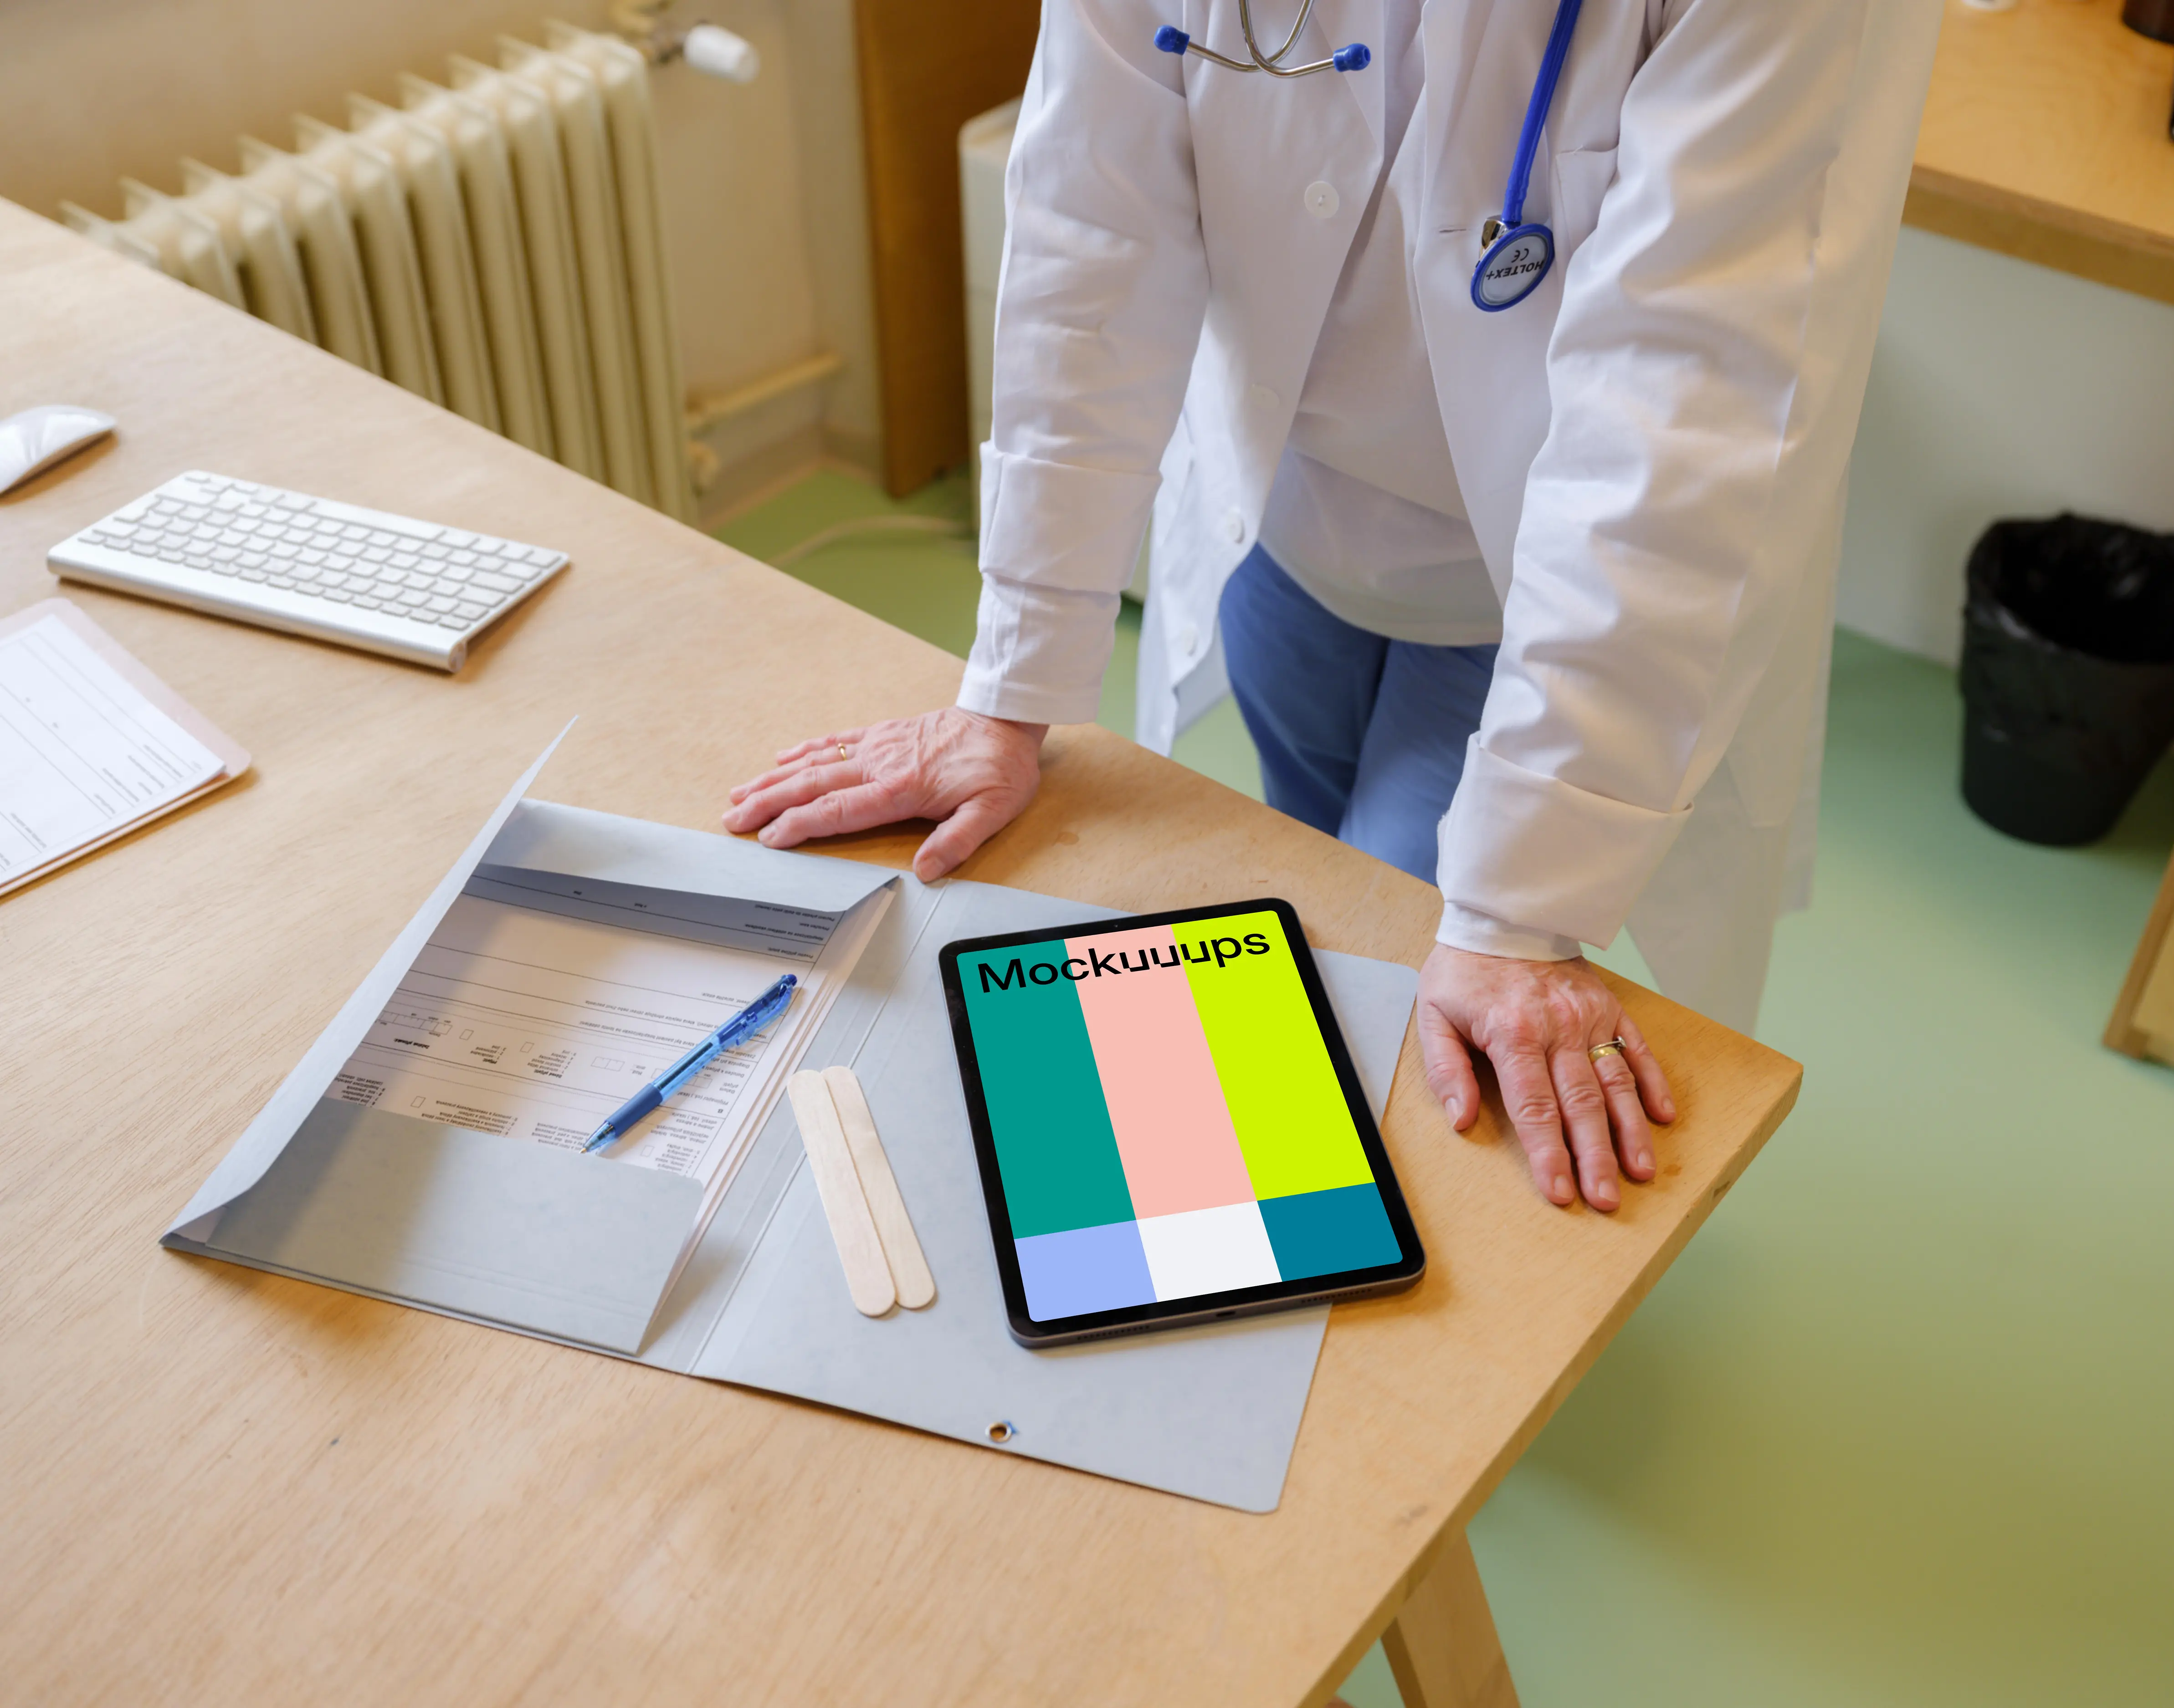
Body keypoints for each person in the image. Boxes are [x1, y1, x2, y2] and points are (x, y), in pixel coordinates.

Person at [727, 0, 1941, 1212]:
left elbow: (1684, 395)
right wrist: (1010, 684)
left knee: (1400, 1045)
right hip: (1286, 523)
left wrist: (1520, 908)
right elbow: (1094, 215)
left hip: (1536, 597)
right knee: (1316, 918)